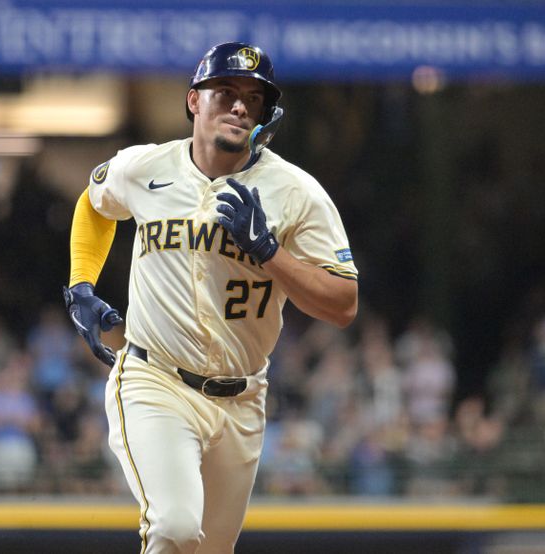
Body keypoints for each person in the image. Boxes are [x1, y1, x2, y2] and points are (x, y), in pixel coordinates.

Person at [63, 41, 358, 553]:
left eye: (253, 98)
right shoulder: (143, 167)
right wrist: (81, 283)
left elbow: (343, 303)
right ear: (194, 101)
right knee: (174, 529)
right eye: (226, 92)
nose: (241, 106)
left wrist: (269, 251)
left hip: (242, 398)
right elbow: (94, 203)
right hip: (156, 380)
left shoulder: (295, 192)